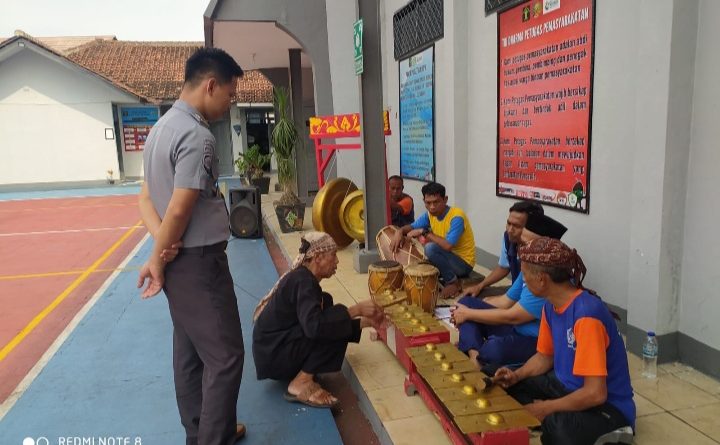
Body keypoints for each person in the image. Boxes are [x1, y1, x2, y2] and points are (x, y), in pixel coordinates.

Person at [137, 48, 246, 445]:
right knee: (225, 356)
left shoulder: (159, 130)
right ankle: (212, 438)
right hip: (200, 266)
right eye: (230, 95)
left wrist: (163, 248)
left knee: (189, 353)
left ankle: (199, 432)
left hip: (181, 261)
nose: (229, 103)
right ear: (211, 84)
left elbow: (145, 200)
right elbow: (180, 207)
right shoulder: (197, 136)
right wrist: (157, 257)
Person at [494, 237, 635, 445]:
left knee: (558, 428)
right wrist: (516, 375)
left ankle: (613, 434)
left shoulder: (587, 315)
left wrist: (545, 408)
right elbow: (544, 357)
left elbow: (596, 394)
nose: (523, 281)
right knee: (498, 380)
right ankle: (553, 411)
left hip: (606, 407)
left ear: (542, 279)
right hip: (567, 387)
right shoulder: (550, 306)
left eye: (525, 276)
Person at [252, 232, 384, 408]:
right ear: (318, 257)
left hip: (273, 350)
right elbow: (315, 327)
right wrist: (356, 310)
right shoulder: (303, 281)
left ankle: (303, 373)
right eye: (333, 255)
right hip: (275, 354)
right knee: (331, 323)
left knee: (327, 303)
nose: (337, 261)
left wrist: (365, 322)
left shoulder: (304, 278)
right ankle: (300, 383)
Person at [452, 213, 567, 370]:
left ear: (544, 247)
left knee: (493, 348)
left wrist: (469, 314)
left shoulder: (547, 279)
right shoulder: (529, 265)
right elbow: (506, 300)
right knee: (465, 303)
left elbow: (513, 317)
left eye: (527, 243)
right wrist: (480, 306)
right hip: (514, 328)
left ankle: (477, 349)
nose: (521, 247)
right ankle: (475, 356)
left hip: (534, 341)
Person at [390, 182, 475, 298]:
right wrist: (399, 232)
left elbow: (448, 245)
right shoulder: (429, 215)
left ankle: (452, 281)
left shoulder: (456, 217)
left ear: (445, 200)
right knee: (420, 258)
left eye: (436, 202)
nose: (432, 207)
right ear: (424, 201)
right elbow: (411, 227)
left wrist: (424, 232)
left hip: (463, 264)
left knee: (430, 248)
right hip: (447, 257)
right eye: (428, 203)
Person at [466, 200, 544, 296]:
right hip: (516, 291)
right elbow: (503, 267)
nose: (510, 230)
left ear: (531, 228)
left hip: (532, 297)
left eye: (516, 226)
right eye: (509, 223)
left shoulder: (544, 250)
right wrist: (479, 286)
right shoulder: (508, 238)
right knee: (475, 297)